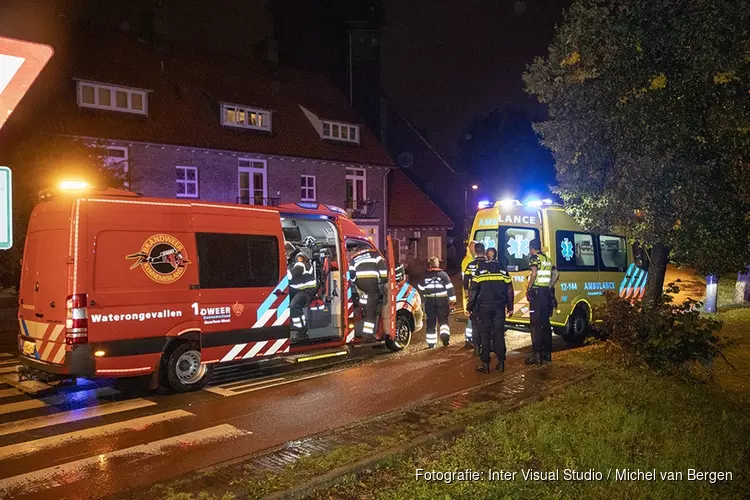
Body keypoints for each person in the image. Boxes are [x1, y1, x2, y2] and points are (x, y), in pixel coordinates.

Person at [467, 255, 514, 373]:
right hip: (499, 307)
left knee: (485, 335)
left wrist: (470, 306)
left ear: (487, 257)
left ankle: (485, 364)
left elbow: (473, 290)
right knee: (499, 335)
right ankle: (501, 362)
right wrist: (510, 306)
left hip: (484, 308)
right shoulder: (502, 270)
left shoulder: (480, 270)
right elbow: (509, 289)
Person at [525, 238, 559, 365]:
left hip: (537, 294)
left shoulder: (534, 258)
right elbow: (556, 274)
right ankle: (547, 354)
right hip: (545, 294)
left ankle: (537, 355)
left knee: (535, 324)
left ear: (532, 248)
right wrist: (549, 286)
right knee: (546, 324)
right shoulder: (547, 259)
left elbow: (533, 273)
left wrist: (529, 287)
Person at [348, 245, 388, 342]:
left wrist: (357, 283)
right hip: (372, 284)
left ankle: (365, 310)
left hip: (361, 285)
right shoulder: (375, 254)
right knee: (371, 311)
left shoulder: (354, 258)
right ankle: (368, 336)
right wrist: (383, 280)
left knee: (366, 305)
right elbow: (382, 268)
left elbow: (351, 275)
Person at [418, 257, 456, 347]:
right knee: (443, 320)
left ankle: (431, 343)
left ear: (430, 265)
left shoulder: (425, 275)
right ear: (437, 264)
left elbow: (421, 288)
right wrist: (452, 302)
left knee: (431, 321)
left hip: (429, 301)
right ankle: (445, 339)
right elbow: (450, 289)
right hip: (442, 301)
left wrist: (423, 297)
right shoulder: (444, 275)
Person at [462, 242, 487, 350]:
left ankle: (477, 345)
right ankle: (483, 343)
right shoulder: (488, 264)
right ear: (484, 251)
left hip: (474, 296)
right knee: (485, 319)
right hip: (486, 296)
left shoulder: (470, 264)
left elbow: (465, 280)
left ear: (476, 251)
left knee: (474, 320)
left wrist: (467, 294)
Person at [288, 253, 317, 341]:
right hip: (303, 291)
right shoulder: (307, 264)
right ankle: (296, 327)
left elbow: (290, 275)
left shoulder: (300, 266)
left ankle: (302, 332)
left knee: (294, 306)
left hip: (305, 292)